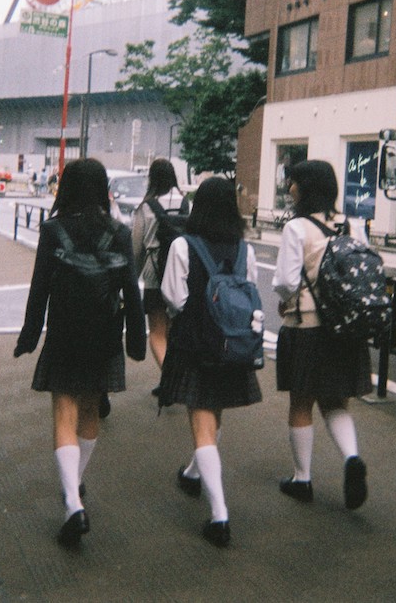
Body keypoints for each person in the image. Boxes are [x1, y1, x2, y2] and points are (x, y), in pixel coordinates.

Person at [14, 158, 146, 547]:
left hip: (65, 333)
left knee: (64, 412)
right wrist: (136, 339)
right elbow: (132, 292)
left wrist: (29, 335)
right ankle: (76, 482)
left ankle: (72, 502)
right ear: (103, 188)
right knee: (90, 412)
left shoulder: (54, 230)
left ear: (67, 189)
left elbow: (40, 288)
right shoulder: (119, 233)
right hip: (105, 334)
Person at [159, 177, 261, 548]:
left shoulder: (184, 246)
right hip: (232, 346)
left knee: (201, 424)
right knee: (213, 415)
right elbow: (251, 293)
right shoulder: (243, 250)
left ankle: (219, 515)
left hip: (195, 345)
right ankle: (191, 472)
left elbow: (174, 297)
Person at [271, 160, 370, 510]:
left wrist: (286, 301)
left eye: (294, 181)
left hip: (308, 326)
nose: (290, 187)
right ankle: (352, 457)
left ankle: (302, 479)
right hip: (345, 327)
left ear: (306, 187)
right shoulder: (352, 225)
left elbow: (284, 281)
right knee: (336, 401)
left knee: (301, 403)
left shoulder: (297, 227)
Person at [131, 158, 182, 375]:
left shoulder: (146, 207)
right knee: (174, 331)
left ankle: (170, 379)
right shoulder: (187, 203)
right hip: (183, 273)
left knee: (157, 333)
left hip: (155, 273)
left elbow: (136, 246)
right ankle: (173, 378)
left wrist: (132, 277)